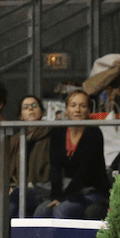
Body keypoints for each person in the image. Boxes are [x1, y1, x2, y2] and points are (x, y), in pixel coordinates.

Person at [34, 91, 109, 220]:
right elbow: (55, 168)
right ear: (66, 110)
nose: (77, 110)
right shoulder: (58, 132)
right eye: (73, 105)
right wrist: (57, 197)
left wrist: (63, 198)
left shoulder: (94, 133)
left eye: (82, 106)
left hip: (91, 190)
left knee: (62, 210)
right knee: (42, 211)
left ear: (89, 110)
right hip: (66, 190)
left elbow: (85, 172)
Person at [7, 94, 51, 218]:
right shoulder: (15, 139)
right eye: (26, 107)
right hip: (18, 189)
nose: (30, 109)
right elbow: (7, 168)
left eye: (34, 106)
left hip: (43, 188)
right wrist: (9, 186)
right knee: (11, 205)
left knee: (15, 198)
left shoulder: (51, 134)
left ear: (42, 112)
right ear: (21, 115)